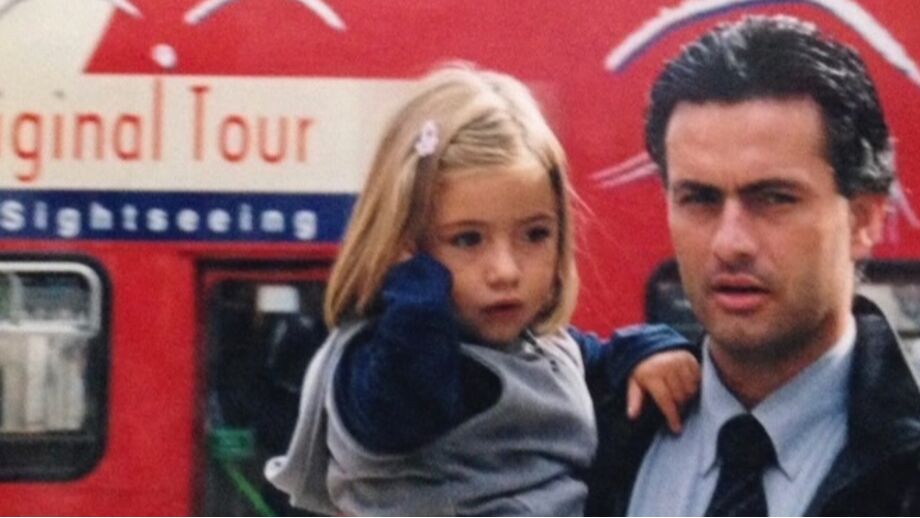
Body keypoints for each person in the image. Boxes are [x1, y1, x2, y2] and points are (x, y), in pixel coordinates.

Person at [264, 64, 701, 516]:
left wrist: (649, 351)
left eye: (535, 235)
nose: (505, 271)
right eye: (467, 239)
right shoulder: (377, 363)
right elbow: (407, 405)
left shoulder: (544, 351)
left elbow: (600, 360)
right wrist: (414, 290)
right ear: (404, 245)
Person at [586, 15, 920, 516]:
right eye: (699, 198)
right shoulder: (589, 431)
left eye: (774, 198)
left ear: (864, 219)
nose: (730, 243)